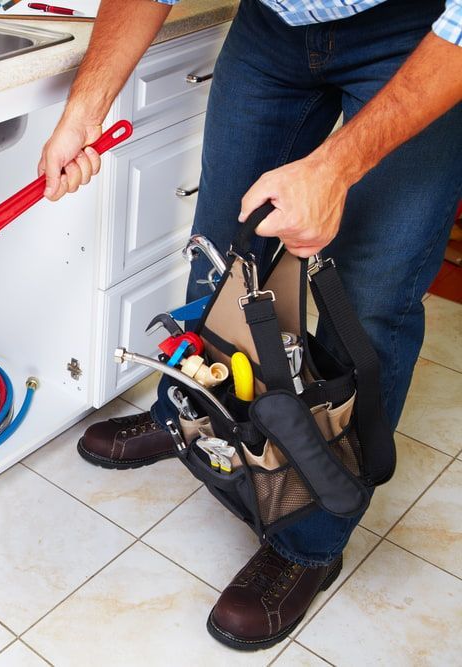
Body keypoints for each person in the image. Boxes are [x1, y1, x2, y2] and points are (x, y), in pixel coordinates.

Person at [39, 0, 462, 651]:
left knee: (369, 304)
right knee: (219, 260)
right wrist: (84, 110)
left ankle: (309, 542)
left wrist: (335, 168)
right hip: (274, 24)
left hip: (420, 32)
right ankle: (191, 415)